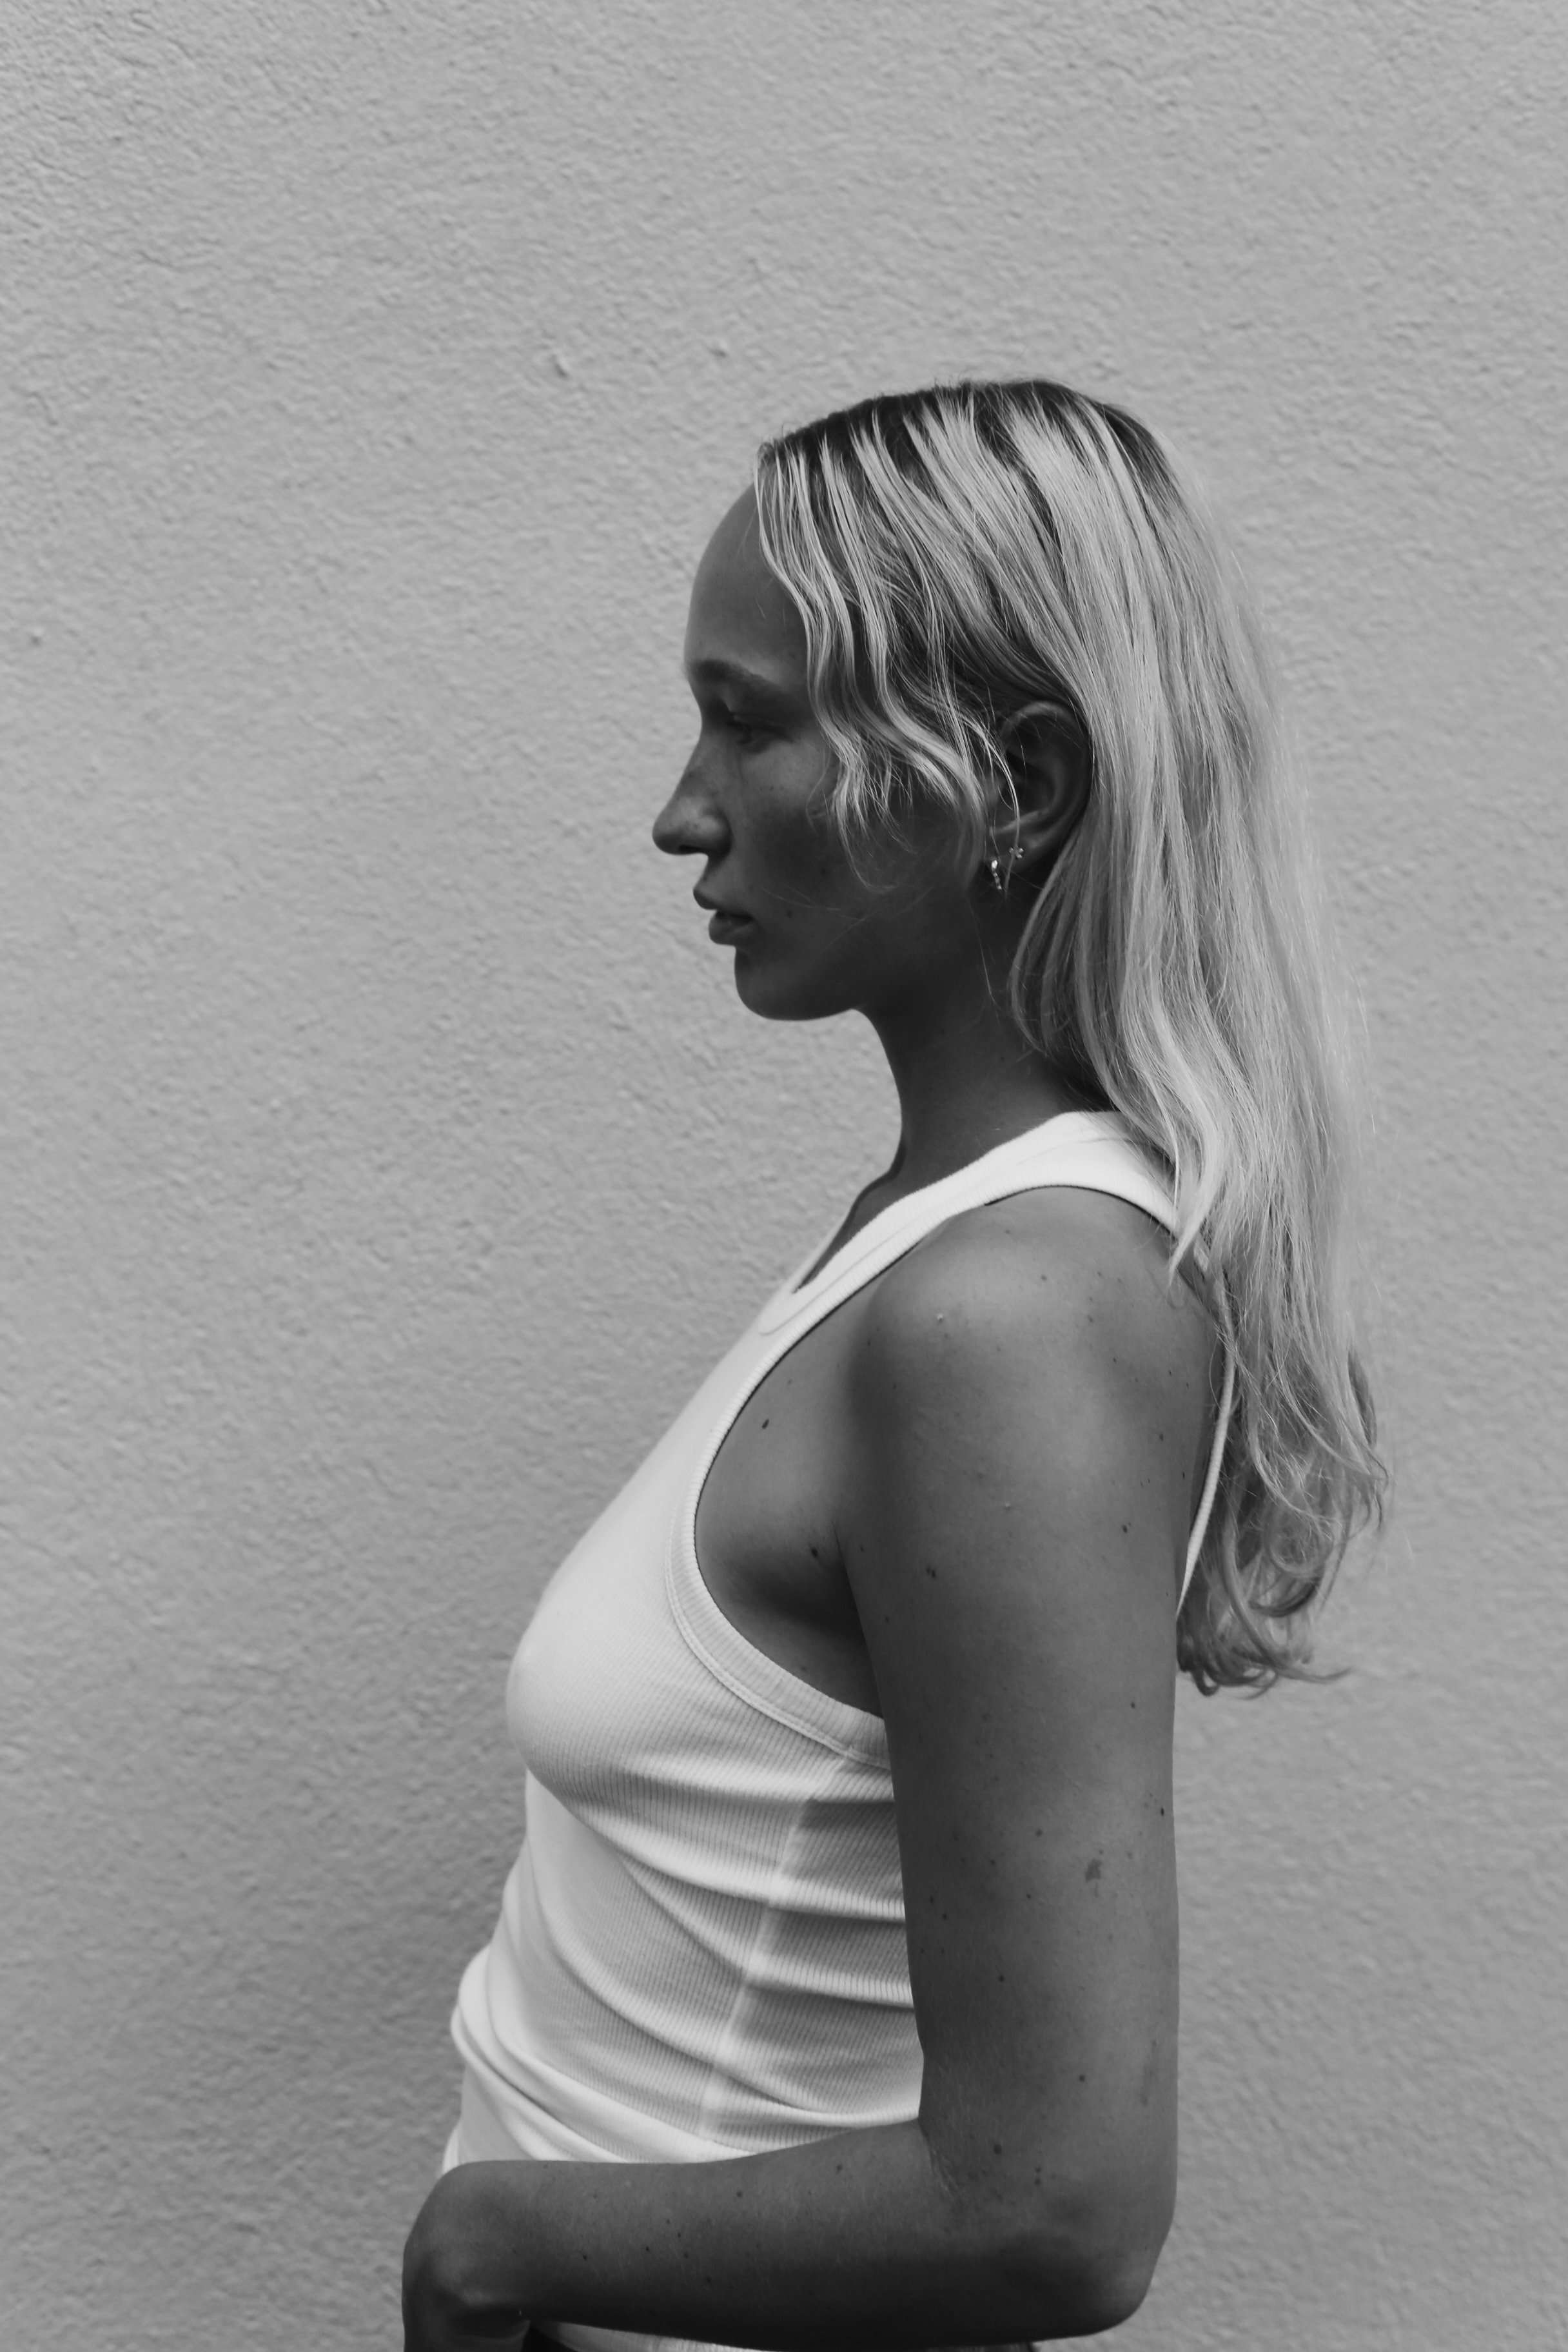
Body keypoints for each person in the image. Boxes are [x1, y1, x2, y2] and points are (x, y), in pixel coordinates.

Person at [401, 378, 1385, 2352]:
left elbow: (1056, 2211)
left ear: (1009, 775)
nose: (683, 805)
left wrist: (489, 2242)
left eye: (751, 719)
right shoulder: (922, 1239)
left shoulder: (1005, 1320)